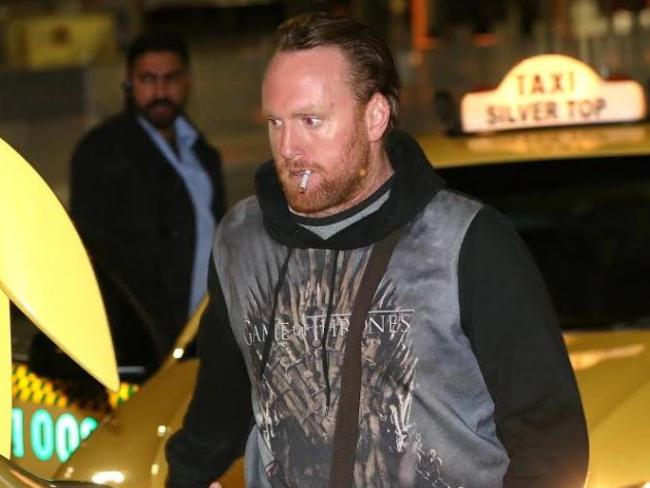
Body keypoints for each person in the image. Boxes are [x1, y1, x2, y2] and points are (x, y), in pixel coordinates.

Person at [166, 12, 588, 488]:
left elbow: (549, 437)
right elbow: (217, 414)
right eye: (275, 122)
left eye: (311, 120)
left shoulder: (466, 242)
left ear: (375, 116)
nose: (288, 147)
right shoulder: (242, 243)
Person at [69, 31, 226, 375]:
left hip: (201, 339)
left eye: (170, 78)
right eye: (148, 79)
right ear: (129, 82)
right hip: (137, 347)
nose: (160, 91)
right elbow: (93, 257)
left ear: (187, 82)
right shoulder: (102, 153)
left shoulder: (202, 154)